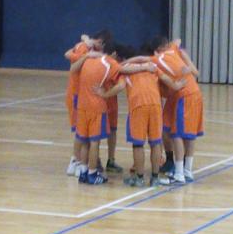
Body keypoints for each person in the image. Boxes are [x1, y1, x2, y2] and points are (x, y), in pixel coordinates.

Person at [95, 45, 186, 187]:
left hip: (139, 106)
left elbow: (119, 86)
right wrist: (177, 86)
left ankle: (139, 178)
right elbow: (168, 81)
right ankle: (155, 178)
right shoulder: (152, 67)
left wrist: (104, 95)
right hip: (155, 106)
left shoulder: (126, 70)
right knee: (155, 142)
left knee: (138, 144)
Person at [70, 41, 155, 185]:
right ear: (114, 54)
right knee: (94, 142)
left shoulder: (89, 60)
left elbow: (73, 68)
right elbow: (124, 72)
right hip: (96, 106)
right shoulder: (109, 63)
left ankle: (83, 172)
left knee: (84, 142)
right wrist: (144, 67)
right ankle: (92, 173)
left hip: (82, 106)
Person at [150, 36, 203, 184]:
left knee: (178, 134)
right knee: (185, 133)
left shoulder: (157, 59)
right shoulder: (173, 49)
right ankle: (186, 170)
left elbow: (142, 61)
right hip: (193, 93)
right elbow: (178, 40)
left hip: (184, 95)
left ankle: (179, 173)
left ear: (157, 50)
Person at [64, 31, 111, 177]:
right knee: (81, 132)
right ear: (96, 41)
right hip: (77, 94)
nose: (101, 47)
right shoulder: (84, 49)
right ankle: (75, 161)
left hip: (84, 95)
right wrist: (84, 44)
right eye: (100, 43)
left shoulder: (94, 51)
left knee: (86, 133)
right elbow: (68, 55)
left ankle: (86, 162)